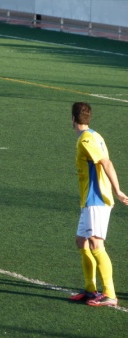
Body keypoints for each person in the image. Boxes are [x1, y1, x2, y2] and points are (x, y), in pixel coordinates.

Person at [69, 102, 128, 306]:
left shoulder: (86, 139)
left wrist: (118, 190)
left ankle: (110, 293)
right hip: (89, 199)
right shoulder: (95, 135)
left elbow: (106, 163)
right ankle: (90, 289)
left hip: (97, 198)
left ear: (73, 119)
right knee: (81, 241)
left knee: (96, 243)